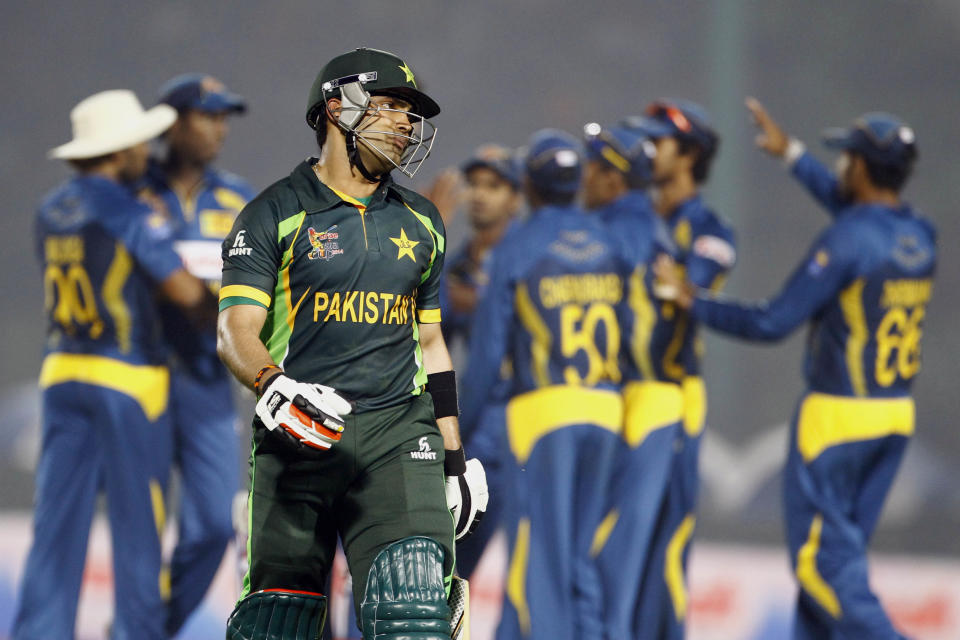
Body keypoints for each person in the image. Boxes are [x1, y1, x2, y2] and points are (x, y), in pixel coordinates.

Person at [215, 47, 488, 640]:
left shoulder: (423, 221)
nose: (406, 124)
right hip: (299, 435)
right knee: (279, 626)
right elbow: (235, 332)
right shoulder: (273, 214)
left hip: (399, 437)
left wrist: (453, 457)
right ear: (337, 107)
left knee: (411, 613)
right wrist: (272, 386)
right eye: (391, 106)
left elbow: (432, 344)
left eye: (411, 113)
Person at [655, 107, 935, 640]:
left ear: (860, 166)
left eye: (846, 158)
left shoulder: (850, 238)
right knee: (837, 564)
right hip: (894, 418)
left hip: (838, 419)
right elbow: (863, 219)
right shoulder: (919, 235)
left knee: (821, 567)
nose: (842, 167)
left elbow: (773, 322)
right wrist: (794, 157)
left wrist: (695, 302)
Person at [14, 89, 216, 640]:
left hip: (61, 374)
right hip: (126, 381)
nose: (146, 151)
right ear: (118, 150)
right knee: (137, 532)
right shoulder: (125, 208)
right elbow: (184, 293)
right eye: (138, 143)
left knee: (55, 528)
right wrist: (231, 308)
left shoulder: (51, 208)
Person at [461, 129, 629, 640]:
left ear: (528, 188)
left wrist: (457, 431)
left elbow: (488, 355)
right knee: (580, 555)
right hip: (606, 408)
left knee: (536, 562)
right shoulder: (610, 241)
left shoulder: (519, 247)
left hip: (543, 415)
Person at [138, 73, 256, 636]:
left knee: (213, 523)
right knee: (140, 525)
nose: (219, 131)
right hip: (141, 375)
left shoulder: (238, 199)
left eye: (223, 119)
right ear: (172, 124)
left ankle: (153, 627)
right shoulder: (133, 191)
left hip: (207, 382)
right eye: (207, 117)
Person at [624, 99, 736, 639]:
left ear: (689, 154)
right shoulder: (632, 213)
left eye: (658, 141)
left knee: (664, 542)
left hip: (672, 396)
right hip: (616, 396)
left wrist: (683, 282)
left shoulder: (708, 225)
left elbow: (698, 280)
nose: (646, 150)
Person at [579, 122, 685, 640]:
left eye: (593, 166)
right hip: (659, 401)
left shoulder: (613, 234)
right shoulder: (653, 227)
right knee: (619, 561)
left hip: (632, 399)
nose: (583, 177)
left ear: (614, 180)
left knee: (605, 558)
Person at [440, 144, 522, 580]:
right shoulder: (456, 269)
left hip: (527, 426)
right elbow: (431, 342)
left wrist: (482, 302)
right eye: (474, 184)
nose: (479, 195)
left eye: (494, 185)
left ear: (516, 197)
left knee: (531, 575)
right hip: (478, 435)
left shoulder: (531, 256)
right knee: (454, 570)